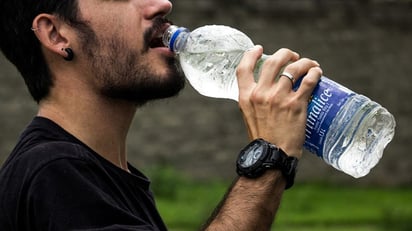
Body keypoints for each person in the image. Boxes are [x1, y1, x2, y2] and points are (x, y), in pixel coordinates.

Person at [0, 0, 322, 230]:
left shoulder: (98, 173)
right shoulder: (55, 173)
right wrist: (269, 158)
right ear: (56, 35)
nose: (162, 5)